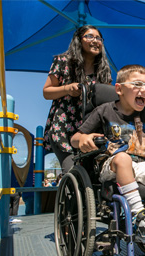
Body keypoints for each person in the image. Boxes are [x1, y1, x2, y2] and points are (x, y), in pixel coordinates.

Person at [71, 64, 145, 256]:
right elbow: (75, 138)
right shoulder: (105, 110)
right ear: (119, 89)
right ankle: (140, 215)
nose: (144, 89)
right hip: (111, 165)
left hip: (138, 165)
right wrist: (83, 140)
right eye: (138, 84)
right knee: (122, 158)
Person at [43, 25, 112, 174]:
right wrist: (67, 89)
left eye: (98, 38)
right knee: (73, 171)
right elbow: (46, 92)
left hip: (89, 127)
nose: (95, 41)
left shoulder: (104, 70)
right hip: (63, 127)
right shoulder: (63, 61)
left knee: (95, 173)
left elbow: (108, 100)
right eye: (90, 36)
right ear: (78, 40)